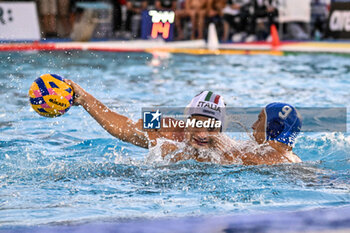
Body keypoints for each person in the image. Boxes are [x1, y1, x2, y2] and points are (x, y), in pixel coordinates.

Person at [64, 81, 232, 163]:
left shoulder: (230, 153)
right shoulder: (163, 126)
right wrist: (85, 99)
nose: (202, 134)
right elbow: (124, 127)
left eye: (211, 128)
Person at [235, 102, 302, 165]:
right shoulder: (295, 159)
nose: (253, 126)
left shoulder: (258, 159)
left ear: (273, 129)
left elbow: (227, 155)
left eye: (259, 119)